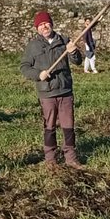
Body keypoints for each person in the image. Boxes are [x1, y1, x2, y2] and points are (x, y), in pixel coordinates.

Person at [20, 10, 85, 168]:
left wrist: (73, 51)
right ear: (37, 28)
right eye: (41, 25)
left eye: (46, 23)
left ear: (51, 24)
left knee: (68, 126)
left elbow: (77, 61)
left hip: (65, 90)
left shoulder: (64, 40)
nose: (44, 27)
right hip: (46, 93)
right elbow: (24, 67)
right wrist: (38, 74)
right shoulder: (33, 45)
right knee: (49, 126)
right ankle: (50, 159)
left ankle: (71, 157)